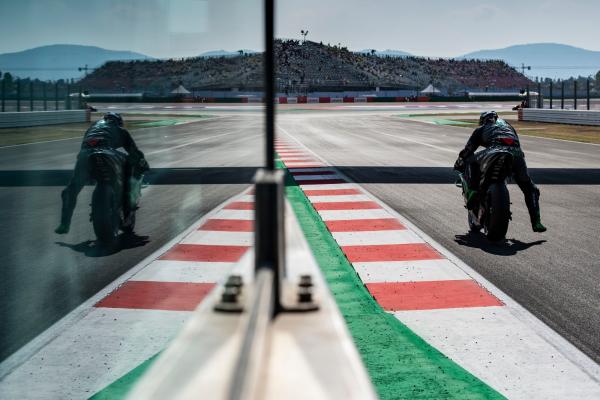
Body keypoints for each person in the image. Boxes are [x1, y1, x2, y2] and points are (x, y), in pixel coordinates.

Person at [55, 112, 148, 234]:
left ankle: (64, 223)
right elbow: (134, 153)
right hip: (107, 154)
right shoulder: (120, 130)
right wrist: (143, 165)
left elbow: (82, 149)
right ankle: (128, 210)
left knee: (72, 189)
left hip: (85, 156)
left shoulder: (91, 128)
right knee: (128, 169)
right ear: (118, 122)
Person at [454, 111, 547, 233]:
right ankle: (536, 222)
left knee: (471, 160)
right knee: (530, 188)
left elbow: (468, 150)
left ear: (483, 120)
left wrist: (459, 163)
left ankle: (472, 191)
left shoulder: (481, 128)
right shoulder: (509, 127)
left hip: (494, 150)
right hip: (516, 155)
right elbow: (517, 144)